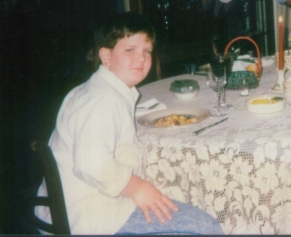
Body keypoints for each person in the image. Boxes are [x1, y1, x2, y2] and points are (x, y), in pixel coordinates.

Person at [35, 12, 223, 235]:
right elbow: (92, 164)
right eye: (130, 50)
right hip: (90, 217)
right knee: (205, 228)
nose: (141, 58)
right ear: (106, 56)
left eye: (147, 51)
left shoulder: (97, 90)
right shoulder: (102, 98)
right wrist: (138, 189)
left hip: (75, 207)